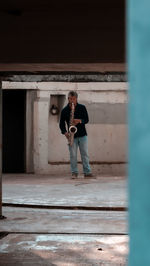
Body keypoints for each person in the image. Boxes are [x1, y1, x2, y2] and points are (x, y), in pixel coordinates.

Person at [59, 91, 93, 179]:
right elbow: (61, 124)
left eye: (73, 99)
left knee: (85, 154)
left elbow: (87, 120)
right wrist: (65, 132)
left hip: (82, 135)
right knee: (73, 155)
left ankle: (87, 172)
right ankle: (74, 173)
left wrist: (79, 121)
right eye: (70, 99)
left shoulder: (82, 107)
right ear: (68, 99)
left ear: (76, 99)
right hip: (71, 136)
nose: (72, 100)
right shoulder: (65, 110)